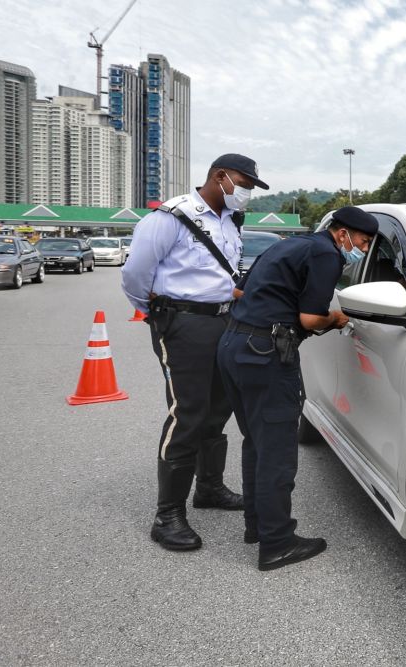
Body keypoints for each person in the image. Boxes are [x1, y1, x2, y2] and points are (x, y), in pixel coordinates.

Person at [217, 206, 378, 571]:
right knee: (276, 450)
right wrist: (337, 319)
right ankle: (277, 543)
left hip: (233, 345)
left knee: (256, 442)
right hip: (266, 356)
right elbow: (310, 318)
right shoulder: (326, 254)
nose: (363, 250)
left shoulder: (288, 245)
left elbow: (239, 292)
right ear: (343, 234)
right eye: (363, 242)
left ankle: (257, 527)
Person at [122, 154, 269, 551]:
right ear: (220, 177)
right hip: (183, 323)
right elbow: (135, 273)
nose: (247, 194)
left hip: (224, 321)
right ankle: (167, 514)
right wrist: (157, 311)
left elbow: (223, 275)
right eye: (244, 184)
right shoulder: (172, 216)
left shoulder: (230, 222)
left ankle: (209, 488)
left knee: (218, 408)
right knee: (187, 412)